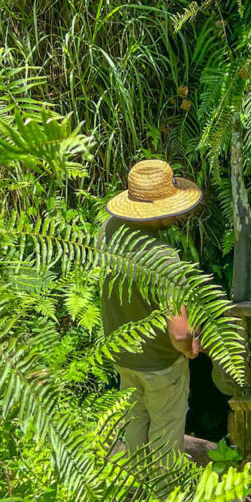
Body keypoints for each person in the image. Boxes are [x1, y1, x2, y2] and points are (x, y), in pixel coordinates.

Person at [100, 159, 202, 466]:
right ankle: (164, 496)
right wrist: (190, 349)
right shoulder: (162, 258)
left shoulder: (109, 230)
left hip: (122, 352)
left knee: (135, 419)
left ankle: (136, 486)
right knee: (165, 427)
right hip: (159, 363)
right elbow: (180, 331)